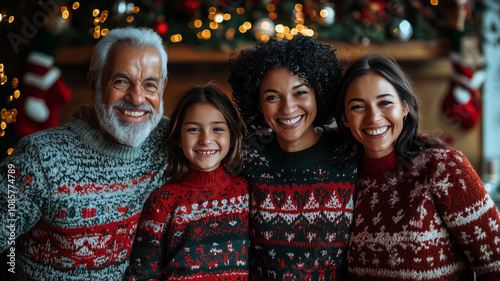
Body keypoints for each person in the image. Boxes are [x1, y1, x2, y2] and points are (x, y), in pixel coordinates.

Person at [0, 27, 170, 281]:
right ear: (94, 83)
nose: (137, 98)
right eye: (121, 81)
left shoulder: (174, 139)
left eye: (150, 85)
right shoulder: (40, 157)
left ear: (163, 87)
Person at [334, 53, 500, 280]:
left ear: (404, 107)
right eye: (358, 107)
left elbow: (495, 264)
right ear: (344, 118)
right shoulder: (342, 177)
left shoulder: (444, 168)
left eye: (385, 103)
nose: (373, 117)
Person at [228, 35, 359, 280]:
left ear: (317, 94)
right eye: (272, 97)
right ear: (258, 104)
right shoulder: (246, 155)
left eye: (300, 93)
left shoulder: (349, 149)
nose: (287, 108)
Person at [124, 84, 250, 280]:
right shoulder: (163, 201)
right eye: (193, 129)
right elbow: (143, 273)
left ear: (232, 136)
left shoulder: (246, 191)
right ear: (179, 139)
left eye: (217, 129)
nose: (206, 139)